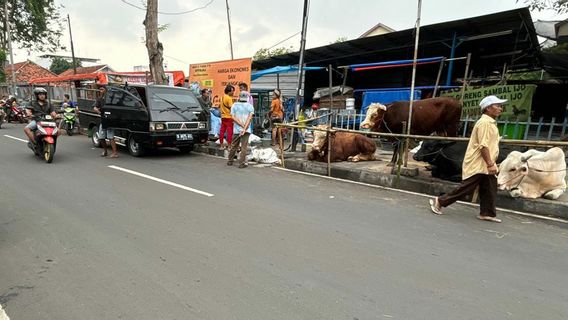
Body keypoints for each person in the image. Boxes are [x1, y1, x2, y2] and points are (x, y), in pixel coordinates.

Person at [429, 95, 505, 223]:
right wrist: (490, 163)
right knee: (467, 188)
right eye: (497, 106)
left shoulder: (490, 123)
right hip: (480, 163)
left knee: (490, 187)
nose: (500, 109)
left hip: (486, 162)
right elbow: (483, 145)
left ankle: (487, 213)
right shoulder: (485, 123)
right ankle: (440, 201)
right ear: (488, 108)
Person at [227, 91, 254, 168]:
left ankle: (230, 161)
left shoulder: (234, 105)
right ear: (247, 98)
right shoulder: (250, 106)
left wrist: (240, 125)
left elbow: (233, 117)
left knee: (234, 145)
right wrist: (244, 128)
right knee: (244, 147)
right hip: (246, 130)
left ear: (239, 97)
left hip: (236, 129)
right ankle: (241, 163)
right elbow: (249, 119)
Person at [93, 86, 118, 158]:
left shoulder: (111, 99)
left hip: (110, 120)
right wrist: (97, 110)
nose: (101, 90)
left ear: (106, 90)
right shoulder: (99, 99)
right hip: (103, 120)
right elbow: (95, 106)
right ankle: (105, 151)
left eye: (102, 89)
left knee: (111, 137)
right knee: (101, 137)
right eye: (100, 89)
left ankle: (115, 152)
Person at [219, 85, 235, 149]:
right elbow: (232, 108)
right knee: (229, 132)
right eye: (232, 91)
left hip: (223, 117)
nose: (233, 92)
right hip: (229, 117)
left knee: (222, 131)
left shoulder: (222, 97)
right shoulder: (229, 98)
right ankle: (229, 146)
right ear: (229, 91)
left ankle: (221, 145)